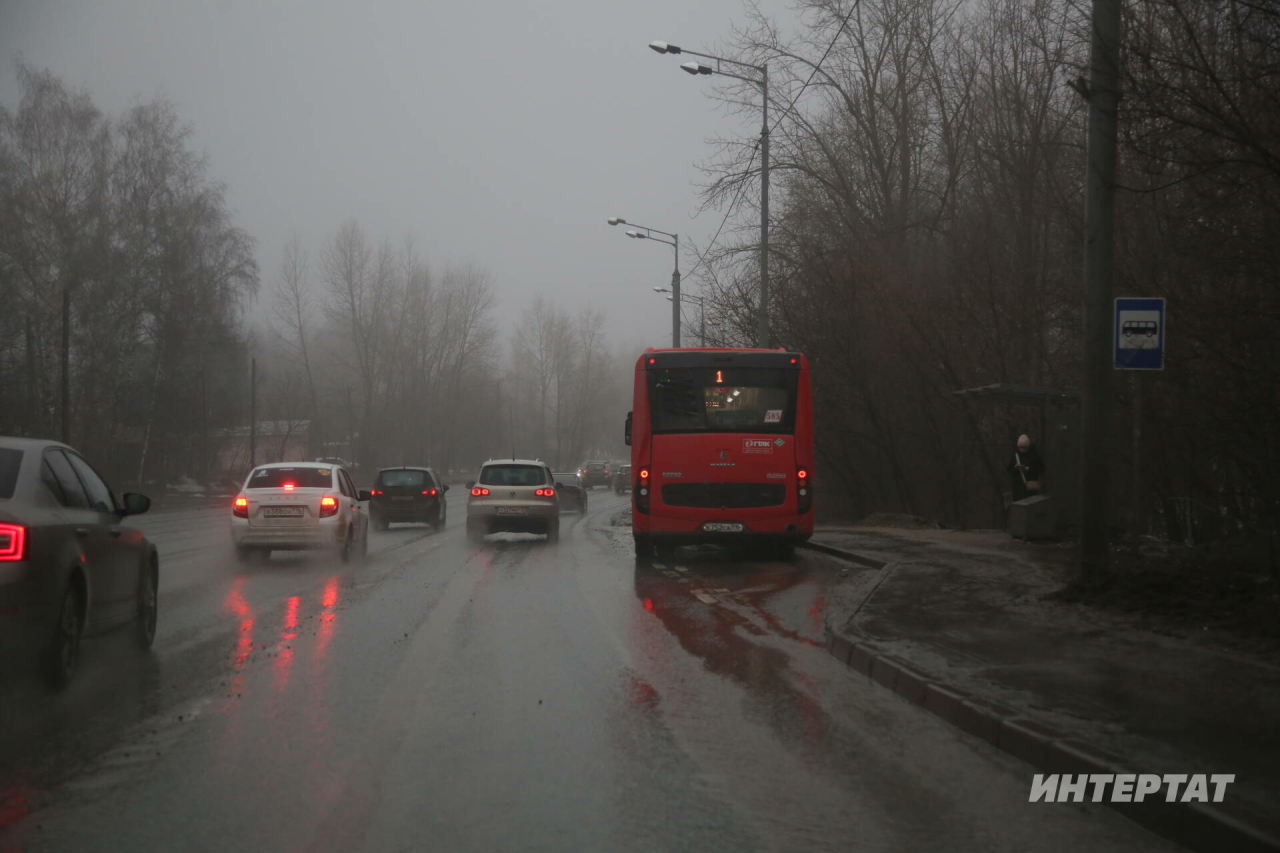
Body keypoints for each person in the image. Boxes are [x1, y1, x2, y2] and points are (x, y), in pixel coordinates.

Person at [1007, 434, 1045, 501]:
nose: (1022, 449)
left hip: (1031, 487)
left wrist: (1028, 469)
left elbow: (1041, 468)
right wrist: (1015, 468)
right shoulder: (1015, 456)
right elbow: (1009, 470)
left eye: (1024, 447)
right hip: (1018, 488)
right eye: (1020, 447)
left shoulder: (1034, 455)